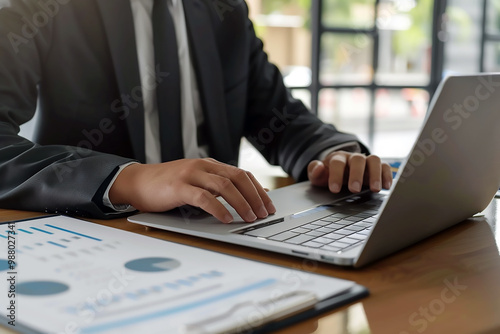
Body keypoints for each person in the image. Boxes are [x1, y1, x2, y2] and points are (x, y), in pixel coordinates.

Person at [0, 0, 392, 222]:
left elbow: (280, 118)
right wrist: (131, 180)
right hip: (105, 231)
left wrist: (331, 154)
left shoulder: (226, 13)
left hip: (224, 227)